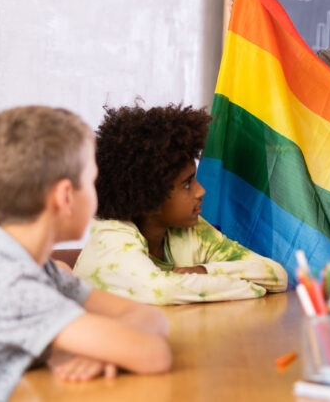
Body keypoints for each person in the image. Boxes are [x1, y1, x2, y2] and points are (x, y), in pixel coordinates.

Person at [0, 106, 171, 401]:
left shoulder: (31, 266)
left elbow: (147, 317)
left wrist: (108, 350)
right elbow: (155, 355)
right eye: (91, 182)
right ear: (65, 197)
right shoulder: (5, 283)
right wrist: (118, 347)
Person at [73, 103, 288, 305]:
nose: (201, 190)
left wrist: (204, 271)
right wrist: (250, 288)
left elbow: (276, 275)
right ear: (148, 195)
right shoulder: (110, 237)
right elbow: (162, 291)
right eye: (187, 184)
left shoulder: (190, 231)